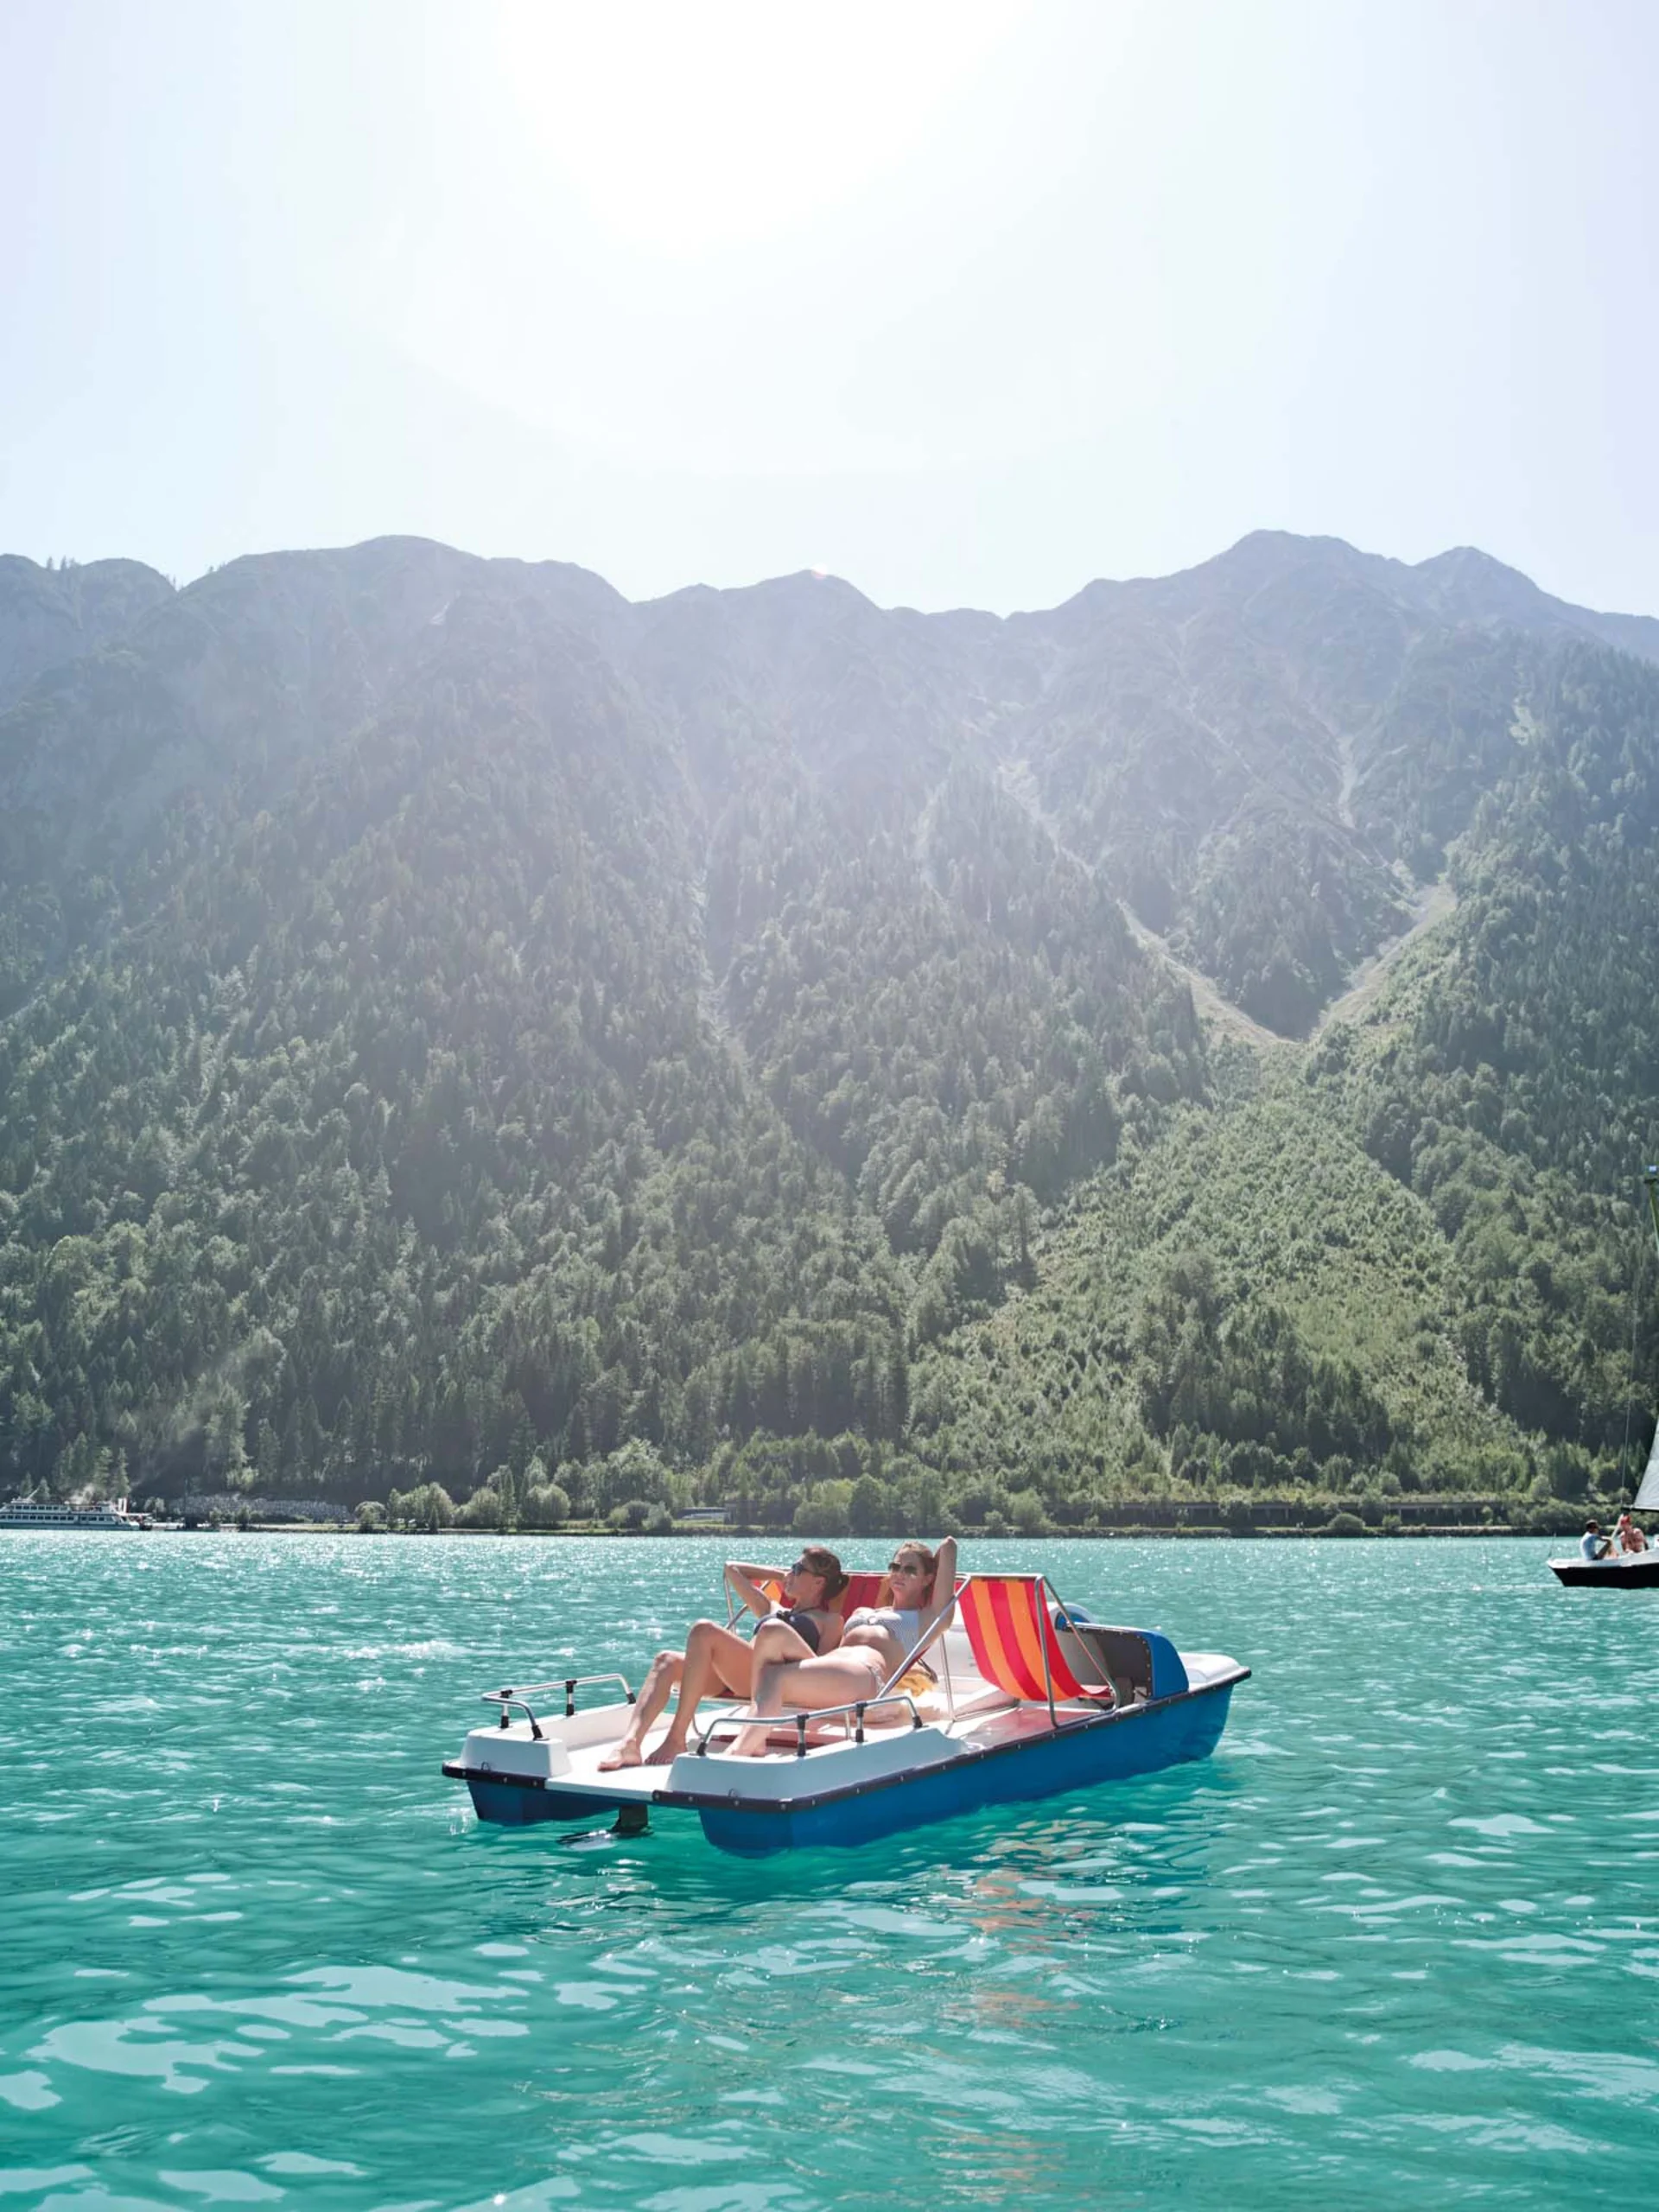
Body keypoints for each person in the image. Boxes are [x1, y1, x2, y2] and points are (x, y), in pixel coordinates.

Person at [597, 1549, 847, 1770]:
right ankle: (630, 1743)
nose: (790, 1573)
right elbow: (732, 1569)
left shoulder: (830, 1621)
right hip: (741, 1676)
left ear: (818, 1582)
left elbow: (820, 1667)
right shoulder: (772, 1609)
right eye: (792, 1567)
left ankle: (676, 1738)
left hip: (774, 1682)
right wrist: (780, 1575)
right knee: (667, 1661)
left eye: (798, 1569)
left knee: (704, 1630)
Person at [728, 1537, 958, 1758]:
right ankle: (753, 1741)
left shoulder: (924, 1620)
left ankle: (738, 1752)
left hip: (866, 1676)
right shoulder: (863, 1611)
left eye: (910, 1570)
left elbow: (949, 1546)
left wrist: (931, 1565)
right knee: (771, 1651)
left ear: (928, 1579)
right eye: (895, 1566)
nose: (899, 1574)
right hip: (833, 1668)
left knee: (776, 1677)